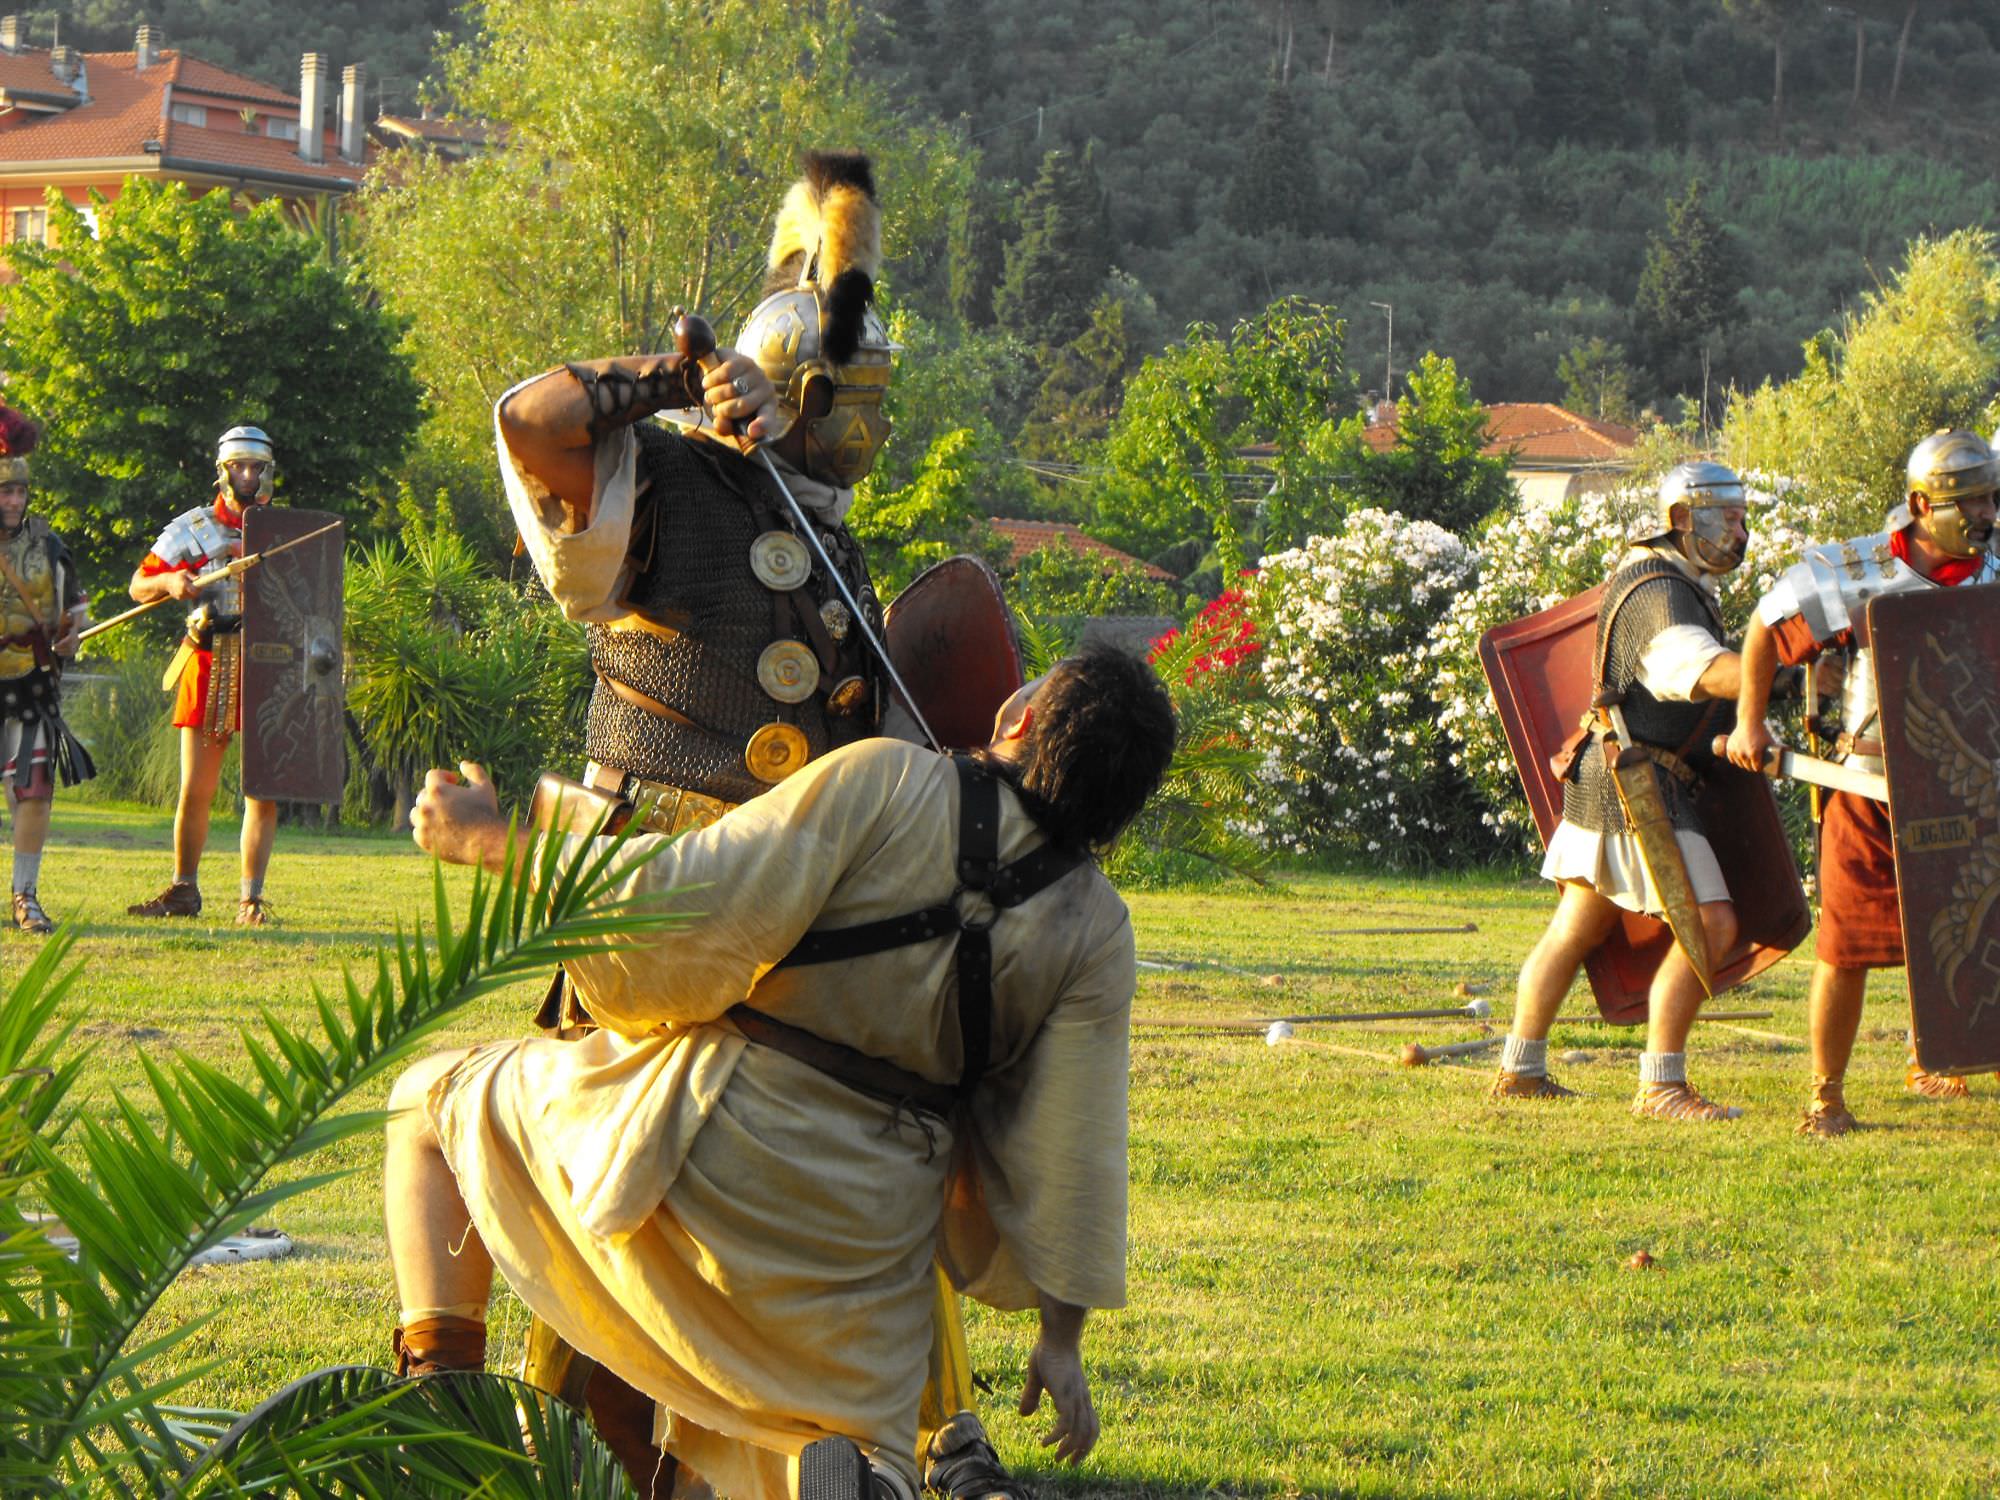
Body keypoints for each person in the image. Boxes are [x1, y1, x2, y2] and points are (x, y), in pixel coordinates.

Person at [494, 149, 1031, 1499]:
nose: (875, 422)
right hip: (661, 891)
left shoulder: (837, 539)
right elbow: (531, 423)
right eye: (856, 397)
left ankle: (925, 1435)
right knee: (614, 1174)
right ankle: (564, 1438)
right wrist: (674, 386)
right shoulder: (661, 488)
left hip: (808, 908)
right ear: (793, 394)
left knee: (889, 1129)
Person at [383, 647, 1177, 1500]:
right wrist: (1062, 1340)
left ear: (1019, 721)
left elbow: (688, 898)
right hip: (871, 1240)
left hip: (709, 1166)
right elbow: (1078, 1146)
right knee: (849, 1447)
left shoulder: (888, 780)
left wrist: (495, 841)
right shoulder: (1099, 927)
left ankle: (443, 1409)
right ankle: (858, 1476)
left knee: (425, 1107)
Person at [1728, 429, 2000, 1136]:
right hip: (1874, 788)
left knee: (1983, 931)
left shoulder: (1996, 572)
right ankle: (1826, 1096)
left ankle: (1951, 1056)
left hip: (1977, 790)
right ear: (1919, 504)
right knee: (1845, 948)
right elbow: (1765, 628)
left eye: (1990, 499)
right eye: (1968, 502)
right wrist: (1752, 723)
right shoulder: (1854, 572)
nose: (1984, 515)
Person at [1492, 461, 1760, 1119]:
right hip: (1636, 779)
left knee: (1577, 924)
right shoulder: (1656, 589)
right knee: (1710, 922)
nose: (1738, 529)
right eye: (1724, 516)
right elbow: (1689, 667)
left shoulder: (1671, 579)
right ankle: (1662, 1086)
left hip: (1614, 769)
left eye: (1740, 515)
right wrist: (1769, 668)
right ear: (1680, 519)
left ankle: (1520, 1069)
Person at [124, 425, 285, 926]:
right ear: (223, 471)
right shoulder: (193, 529)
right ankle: (184, 889)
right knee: (197, 788)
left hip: (266, 662)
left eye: (257, 467)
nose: (249, 475)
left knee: (262, 789)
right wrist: (171, 580)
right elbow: (137, 585)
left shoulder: (281, 531)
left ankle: (250, 899)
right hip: (210, 657)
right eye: (241, 466)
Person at [0, 406, 93, 933]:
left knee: (33, 788)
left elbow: (73, 621)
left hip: (32, 684)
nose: (14, 501)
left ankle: (25, 896)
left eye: (19, 492)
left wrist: (69, 636)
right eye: (4, 492)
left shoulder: (50, 545)